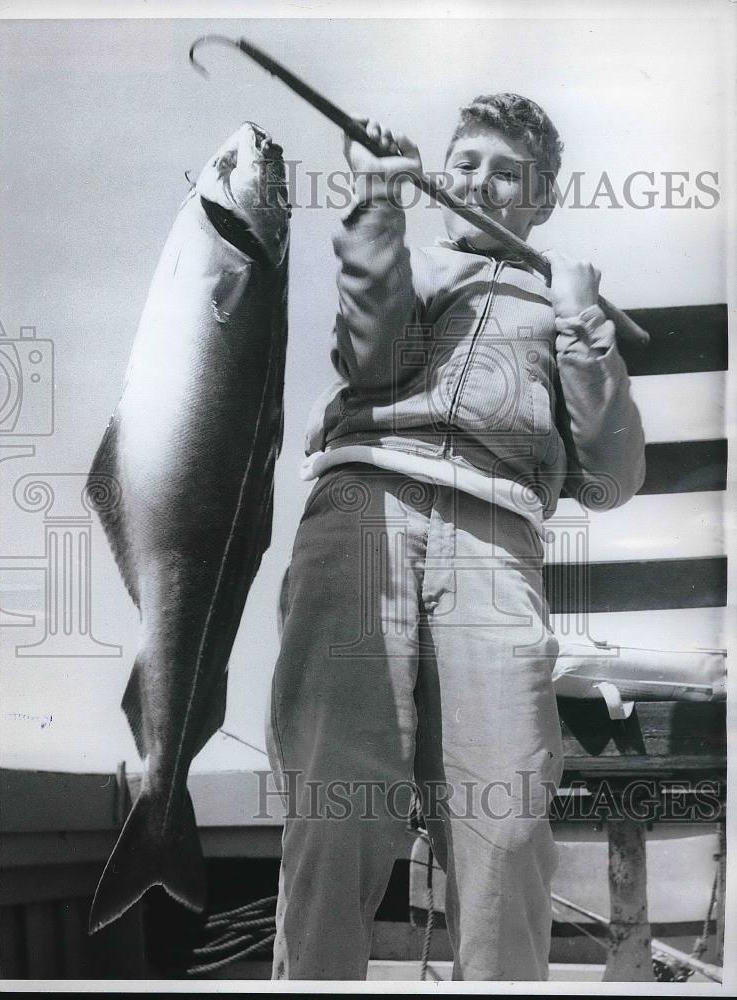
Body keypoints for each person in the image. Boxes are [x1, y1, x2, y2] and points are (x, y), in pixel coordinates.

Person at [265, 93, 646, 981]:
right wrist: (375, 206)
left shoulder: (566, 305)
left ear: (542, 199)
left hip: (494, 541)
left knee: (507, 825)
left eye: (506, 173)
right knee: (336, 813)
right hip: (360, 516)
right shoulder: (406, 253)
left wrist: (584, 328)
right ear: (440, 175)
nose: (480, 182)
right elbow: (369, 357)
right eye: (465, 163)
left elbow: (611, 477)